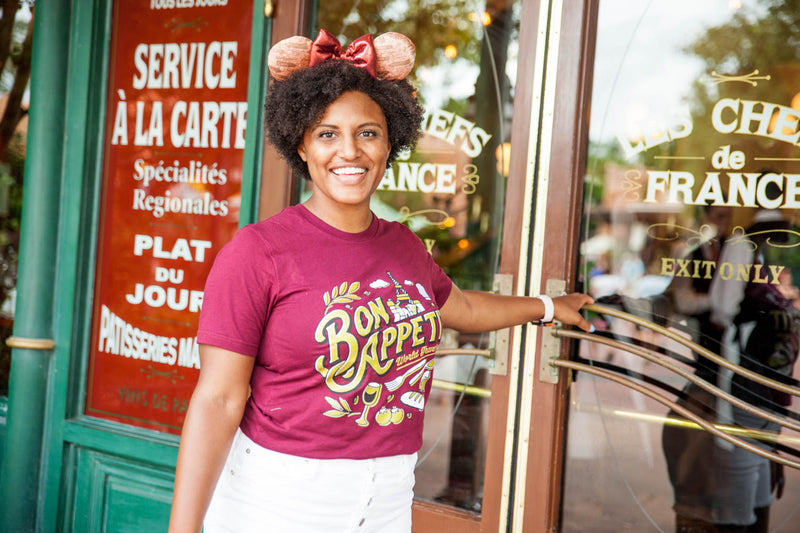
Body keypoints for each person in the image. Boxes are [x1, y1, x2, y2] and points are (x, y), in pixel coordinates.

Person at [168, 29, 593, 533]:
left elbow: (465, 310)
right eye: (327, 134)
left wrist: (547, 306)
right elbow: (217, 400)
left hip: (389, 499)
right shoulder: (257, 253)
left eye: (367, 132)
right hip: (279, 500)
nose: (349, 151)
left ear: (390, 141)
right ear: (301, 146)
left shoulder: (404, 245)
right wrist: (184, 527)